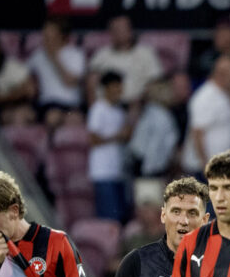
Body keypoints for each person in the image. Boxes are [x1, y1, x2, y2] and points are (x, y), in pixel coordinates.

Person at [181, 56, 230, 177]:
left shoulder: (223, 94)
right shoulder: (204, 97)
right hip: (202, 169)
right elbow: (197, 133)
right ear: (222, 74)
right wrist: (205, 166)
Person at [88, 71, 132, 223]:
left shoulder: (119, 111)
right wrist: (118, 136)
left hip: (117, 170)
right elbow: (93, 139)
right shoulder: (98, 109)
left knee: (120, 216)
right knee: (109, 218)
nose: (118, 91)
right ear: (106, 88)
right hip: (102, 171)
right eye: (115, 87)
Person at [89, 15, 163, 104]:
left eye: (122, 29)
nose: (119, 33)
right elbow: (91, 83)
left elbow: (155, 81)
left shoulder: (146, 53)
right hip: (107, 106)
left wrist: (140, 103)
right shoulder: (101, 54)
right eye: (115, 30)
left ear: (130, 30)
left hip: (140, 106)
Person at [27, 16, 85, 126]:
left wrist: (54, 58)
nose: (46, 35)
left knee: (74, 119)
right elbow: (26, 77)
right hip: (48, 105)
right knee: (51, 117)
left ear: (61, 34)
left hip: (71, 105)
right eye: (45, 32)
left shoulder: (76, 54)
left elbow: (70, 81)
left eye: (51, 32)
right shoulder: (37, 56)